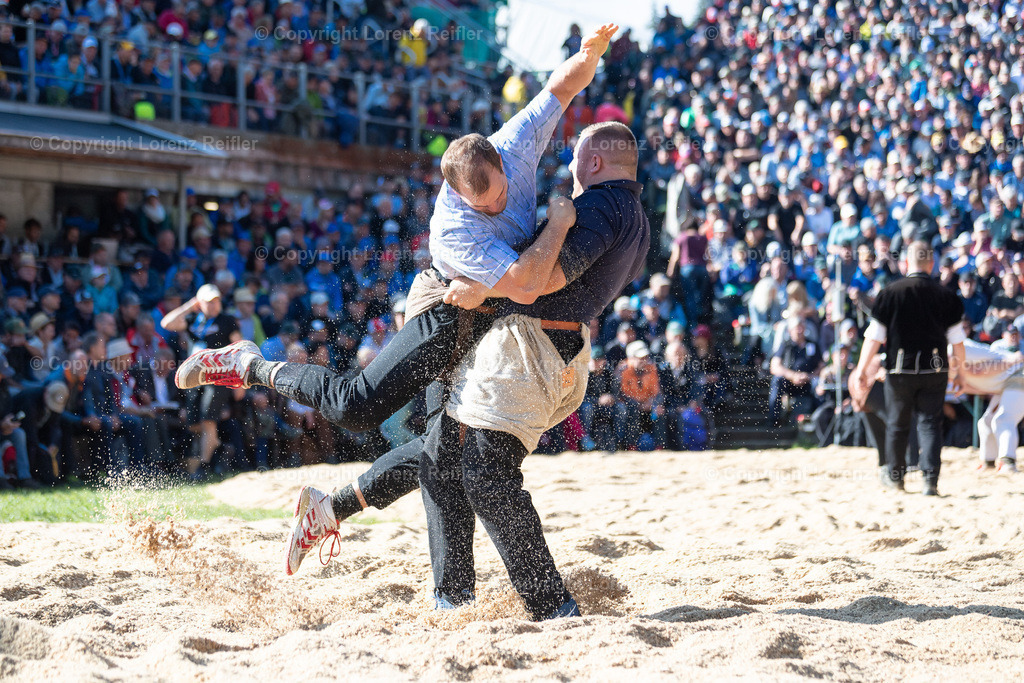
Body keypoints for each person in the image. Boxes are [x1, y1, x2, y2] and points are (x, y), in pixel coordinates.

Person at [176, 24, 618, 537]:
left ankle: (345, 521)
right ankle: (249, 365)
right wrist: (554, 229)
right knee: (356, 406)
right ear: (456, 194)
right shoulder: (452, 226)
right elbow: (521, 285)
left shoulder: (515, 143)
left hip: (484, 304)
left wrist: (590, 53)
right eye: (484, 205)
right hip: (445, 304)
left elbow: (560, 87)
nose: (497, 206)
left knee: (444, 447)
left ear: (502, 161)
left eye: (499, 194)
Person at [853, 241, 966, 496]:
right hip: (935, 369)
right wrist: (960, 371)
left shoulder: (890, 293)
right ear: (931, 264)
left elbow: (874, 337)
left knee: (898, 423)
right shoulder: (946, 296)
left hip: (899, 369)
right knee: (930, 424)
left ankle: (896, 478)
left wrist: (861, 368)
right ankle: (930, 481)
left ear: (906, 263)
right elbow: (958, 341)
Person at [161, 284, 247, 478]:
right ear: (200, 303)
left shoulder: (227, 321)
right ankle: (219, 446)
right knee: (193, 423)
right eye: (209, 302)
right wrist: (189, 306)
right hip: (194, 378)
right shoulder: (192, 319)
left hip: (219, 377)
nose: (214, 305)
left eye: (216, 301)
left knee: (208, 421)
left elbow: (240, 349)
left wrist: (240, 381)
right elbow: (166, 324)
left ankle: (203, 466)